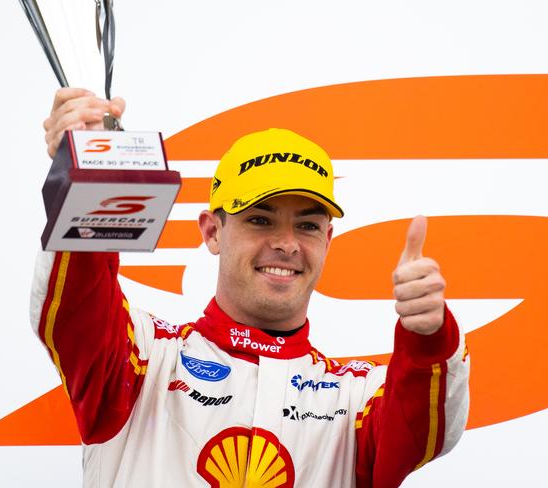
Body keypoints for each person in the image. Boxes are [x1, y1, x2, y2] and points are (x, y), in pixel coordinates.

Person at [31, 88, 469, 488]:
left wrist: (428, 336)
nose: (286, 243)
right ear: (212, 232)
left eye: (308, 225)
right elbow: (75, 310)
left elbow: (422, 429)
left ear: (328, 241)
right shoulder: (142, 358)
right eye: (260, 219)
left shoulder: (355, 398)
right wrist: (88, 182)